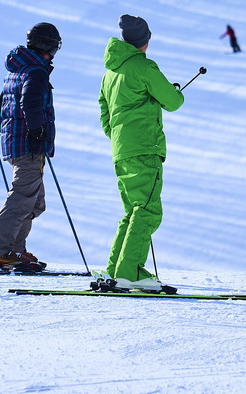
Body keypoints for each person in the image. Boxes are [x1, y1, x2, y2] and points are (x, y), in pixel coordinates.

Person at [100, 14, 185, 290]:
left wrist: (119, 136)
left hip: (121, 149)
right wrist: (171, 91)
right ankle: (131, 272)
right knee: (148, 210)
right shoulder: (143, 67)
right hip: (145, 148)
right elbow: (173, 101)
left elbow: (105, 114)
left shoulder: (110, 73)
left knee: (132, 210)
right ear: (145, 41)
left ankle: (116, 269)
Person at [0, 22, 62, 271]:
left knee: (35, 201)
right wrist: (37, 131)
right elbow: (30, 103)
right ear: (50, 46)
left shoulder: (19, 69)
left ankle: (14, 249)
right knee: (22, 198)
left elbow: (2, 100)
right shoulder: (36, 72)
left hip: (18, 143)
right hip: (28, 145)